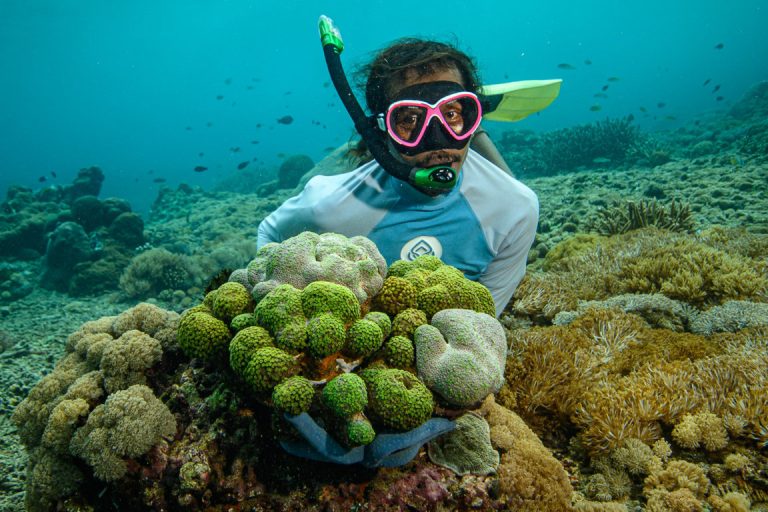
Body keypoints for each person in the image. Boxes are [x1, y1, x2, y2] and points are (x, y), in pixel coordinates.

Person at [257, 38, 539, 317]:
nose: (438, 143)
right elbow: (270, 232)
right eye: (409, 120)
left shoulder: (516, 209)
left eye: (451, 113)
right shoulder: (326, 206)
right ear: (381, 130)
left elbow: (484, 321)